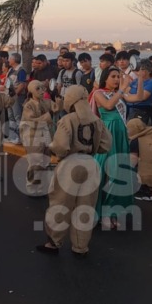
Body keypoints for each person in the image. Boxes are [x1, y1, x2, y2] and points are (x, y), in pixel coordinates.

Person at [37, 86, 111, 257]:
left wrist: (54, 150)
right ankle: (80, 246)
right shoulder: (96, 120)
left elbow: (61, 146)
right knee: (86, 207)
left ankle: (54, 242)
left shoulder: (68, 119)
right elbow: (106, 145)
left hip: (70, 164)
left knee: (60, 204)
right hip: (91, 164)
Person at [89, 68, 133, 230]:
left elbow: (139, 97)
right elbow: (108, 106)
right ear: (105, 79)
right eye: (113, 77)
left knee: (118, 172)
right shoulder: (98, 93)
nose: (116, 79)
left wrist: (140, 79)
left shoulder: (119, 93)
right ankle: (99, 212)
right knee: (103, 172)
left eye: (118, 77)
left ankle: (112, 212)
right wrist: (122, 88)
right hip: (108, 134)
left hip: (120, 134)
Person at [20, 80, 59, 194]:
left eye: (43, 88)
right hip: (32, 136)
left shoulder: (46, 101)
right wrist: (47, 117)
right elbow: (31, 120)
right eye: (38, 89)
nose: (41, 91)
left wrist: (58, 97)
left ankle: (41, 187)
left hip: (45, 134)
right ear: (31, 91)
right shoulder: (28, 105)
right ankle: (32, 187)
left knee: (45, 160)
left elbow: (57, 107)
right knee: (35, 162)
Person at [123, 59, 152, 125]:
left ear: (149, 71)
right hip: (129, 109)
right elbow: (124, 92)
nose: (138, 71)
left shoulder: (151, 82)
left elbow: (142, 97)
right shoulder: (135, 81)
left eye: (141, 69)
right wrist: (132, 97)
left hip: (143, 111)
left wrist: (128, 97)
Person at [5, 53, 27, 142]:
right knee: (10, 116)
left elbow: (22, 85)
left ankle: (20, 137)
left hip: (16, 97)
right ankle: (12, 136)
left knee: (17, 116)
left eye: (10, 59)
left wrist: (15, 95)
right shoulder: (10, 70)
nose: (8, 60)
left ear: (14, 60)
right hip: (9, 96)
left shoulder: (21, 70)